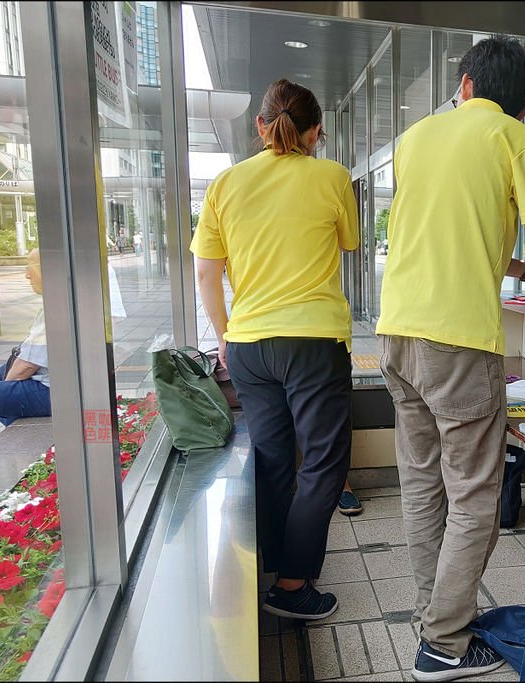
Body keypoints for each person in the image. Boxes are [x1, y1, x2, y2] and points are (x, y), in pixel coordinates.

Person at [376, 36, 525, 682]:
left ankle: (436, 618)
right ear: (520, 102)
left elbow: (451, 233)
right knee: (476, 495)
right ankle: (445, 641)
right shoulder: (520, 142)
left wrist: (524, 276)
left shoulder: (417, 138)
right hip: (459, 342)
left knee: (424, 484)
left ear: (466, 84)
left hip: (396, 333)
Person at [191, 78, 359, 621]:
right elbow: (349, 242)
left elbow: (206, 270)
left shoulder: (225, 183)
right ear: (316, 133)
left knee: (271, 457)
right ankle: (291, 586)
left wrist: (223, 335)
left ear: (260, 126)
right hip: (313, 341)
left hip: (247, 343)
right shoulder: (332, 177)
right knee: (326, 464)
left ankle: (271, 564)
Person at [0, 249, 51, 454]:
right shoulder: (61, 301)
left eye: (30, 266)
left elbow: (26, 366)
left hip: (53, 393)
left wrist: (2, 396)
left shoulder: (56, 308)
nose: (26, 274)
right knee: (1, 372)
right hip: (65, 388)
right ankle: (30, 442)